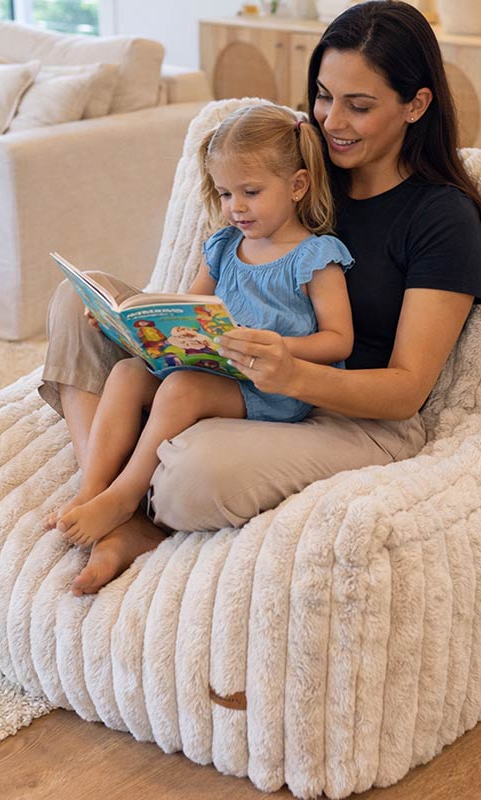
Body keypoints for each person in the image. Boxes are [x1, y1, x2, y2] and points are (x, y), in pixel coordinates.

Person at [38, 0, 481, 596]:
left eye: (359, 106)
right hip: (236, 369)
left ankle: (138, 513)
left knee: (192, 476)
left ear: (416, 104)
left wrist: (293, 374)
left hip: (350, 412)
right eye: (324, 97)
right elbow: (224, 257)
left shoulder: (441, 219)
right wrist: (141, 324)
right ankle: (107, 493)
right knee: (76, 305)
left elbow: (406, 389)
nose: (333, 122)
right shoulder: (304, 164)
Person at [48, 103, 355, 548]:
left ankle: (122, 497)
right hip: (212, 368)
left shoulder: (316, 256)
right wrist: (128, 318)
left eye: (250, 191)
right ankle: (91, 490)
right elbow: (187, 307)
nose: (236, 208)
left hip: (268, 388)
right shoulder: (226, 245)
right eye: (226, 194)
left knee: (180, 390)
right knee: (126, 373)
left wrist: (278, 347)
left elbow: (339, 340)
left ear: (297, 186)